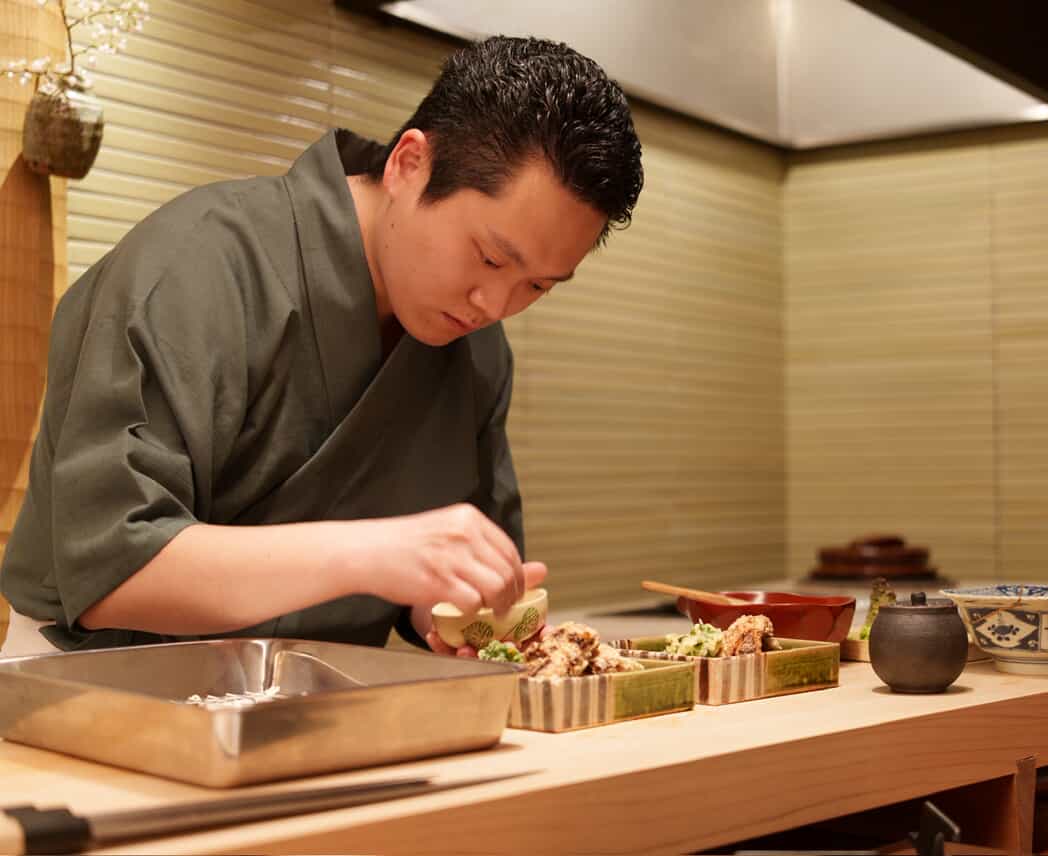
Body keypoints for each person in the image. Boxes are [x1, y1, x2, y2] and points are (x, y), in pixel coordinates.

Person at [0, 35, 644, 657]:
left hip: (316, 690)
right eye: (488, 257)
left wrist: (455, 607)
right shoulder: (200, 263)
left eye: (537, 284)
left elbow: (442, 585)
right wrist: (376, 554)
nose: (495, 306)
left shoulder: (478, 352)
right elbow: (114, 569)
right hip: (89, 681)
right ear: (409, 164)